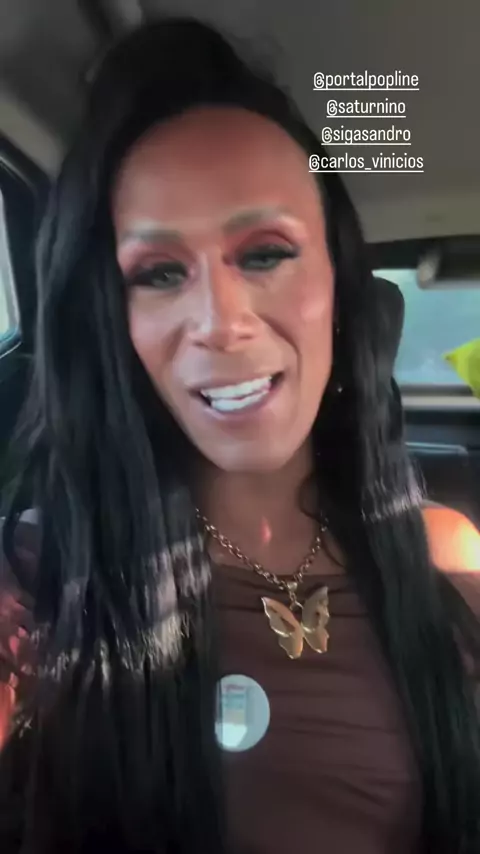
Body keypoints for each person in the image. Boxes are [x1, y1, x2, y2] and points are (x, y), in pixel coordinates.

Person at [1, 16, 480, 854]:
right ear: (114, 326)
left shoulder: (449, 559)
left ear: (339, 288)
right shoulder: (39, 580)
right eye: (159, 273)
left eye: (265, 254)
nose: (221, 322)